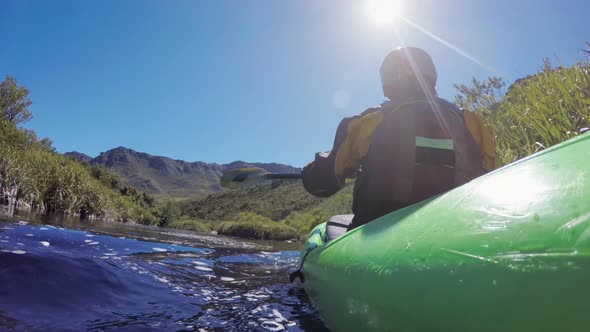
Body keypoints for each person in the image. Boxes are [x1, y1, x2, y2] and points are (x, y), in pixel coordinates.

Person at [302, 47, 500, 231]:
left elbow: (323, 183)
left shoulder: (371, 120)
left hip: (380, 232)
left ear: (387, 83)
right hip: (456, 230)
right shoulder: (470, 121)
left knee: (332, 226)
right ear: (431, 79)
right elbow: (495, 176)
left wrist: (313, 170)